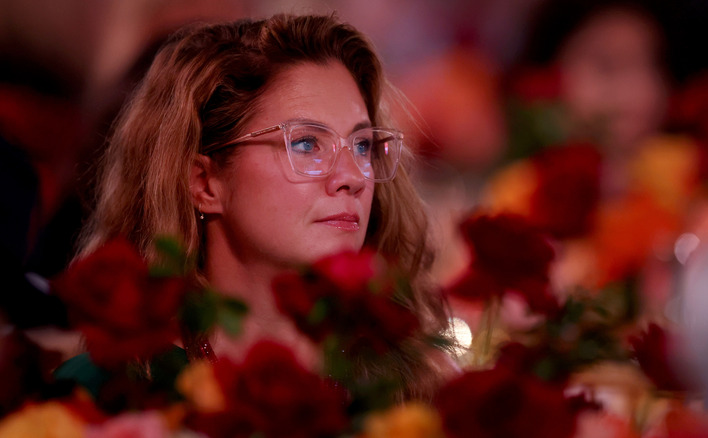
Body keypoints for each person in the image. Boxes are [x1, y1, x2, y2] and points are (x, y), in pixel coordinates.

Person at [76, 14, 452, 400]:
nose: (353, 177)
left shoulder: (420, 387)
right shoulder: (113, 393)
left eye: (361, 147)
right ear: (204, 183)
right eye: (306, 144)